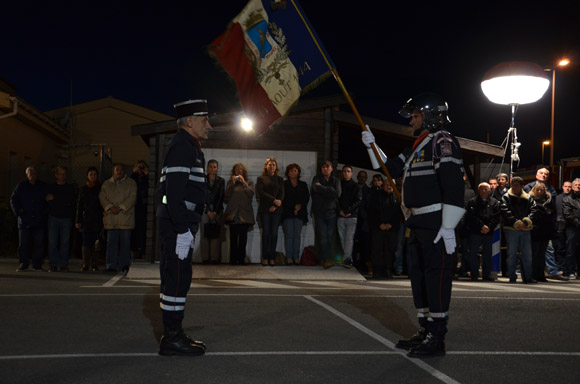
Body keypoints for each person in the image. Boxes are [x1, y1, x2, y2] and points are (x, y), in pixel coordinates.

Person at [362, 93, 465, 358]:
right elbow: (390, 168)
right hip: (417, 222)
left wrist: (449, 226)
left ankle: (437, 336)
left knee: (436, 277)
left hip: (435, 222)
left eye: (416, 116)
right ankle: (425, 328)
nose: (412, 121)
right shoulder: (418, 145)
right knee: (419, 278)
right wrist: (372, 146)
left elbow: (454, 185)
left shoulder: (442, 141)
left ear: (430, 116)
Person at [156, 99, 210, 356]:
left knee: (179, 279)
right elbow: (173, 194)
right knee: (176, 280)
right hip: (178, 225)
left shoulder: (188, 146)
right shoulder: (181, 147)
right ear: (190, 122)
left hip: (181, 223)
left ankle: (175, 334)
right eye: (204, 120)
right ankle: (172, 338)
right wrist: (182, 229)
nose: (208, 126)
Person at [500, 176, 538, 284]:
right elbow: (504, 211)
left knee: (527, 254)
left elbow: (534, 210)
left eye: (516, 185)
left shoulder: (528, 198)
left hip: (525, 228)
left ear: (522, 186)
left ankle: (527, 276)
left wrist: (526, 221)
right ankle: (512, 276)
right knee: (511, 253)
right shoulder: (506, 197)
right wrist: (516, 222)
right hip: (511, 228)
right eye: (513, 185)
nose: (514, 187)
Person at [99, 163, 137, 273]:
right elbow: (102, 197)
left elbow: (132, 198)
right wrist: (110, 207)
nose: (119, 171)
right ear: (113, 171)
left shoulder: (131, 183)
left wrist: (120, 208)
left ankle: (124, 264)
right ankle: (110, 265)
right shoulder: (106, 184)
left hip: (125, 218)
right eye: (117, 169)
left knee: (125, 243)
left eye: (121, 169)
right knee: (111, 243)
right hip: (111, 219)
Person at [10, 166, 47, 272]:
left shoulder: (42, 186)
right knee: (23, 244)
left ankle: (37, 264)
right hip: (25, 221)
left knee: (39, 244)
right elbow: (13, 200)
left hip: (39, 220)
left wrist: (43, 213)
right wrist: (19, 213)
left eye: (34, 173)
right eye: (30, 173)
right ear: (27, 175)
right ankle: (23, 263)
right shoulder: (21, 186)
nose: (32, 175)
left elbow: (48, 201)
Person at [367, 178, 401, 278]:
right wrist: (379, 224)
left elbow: (399, 213)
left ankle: (388, 269)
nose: (389, 186)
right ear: (383, 185)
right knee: (377, 250)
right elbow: (372, 212)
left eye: (391, 185)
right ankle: (377, 270)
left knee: (390, 250)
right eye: (387, 184)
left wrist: (391, 224)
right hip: (378, 228)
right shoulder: (376, 196)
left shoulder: (397, 197)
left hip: (392, 229)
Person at [465, 182, 500, 281]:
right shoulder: (472, 202)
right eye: (481, 189)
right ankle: (474, 273)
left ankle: (486, 274)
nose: (483, 191)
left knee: (487, 254)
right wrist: (482, 226)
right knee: (473, 253)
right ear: (478, 190)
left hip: (488, 232)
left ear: (489, 190)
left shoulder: (494, 202)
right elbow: (471, 216)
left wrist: (489, 227)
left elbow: (496, 217)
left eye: (486, 189)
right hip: (475, 231)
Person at [311, 161, 341, 268]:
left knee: (330, 236)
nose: (325, 169)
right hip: (319, 212)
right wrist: (329, 191)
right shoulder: (316, 179)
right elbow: (315, 189)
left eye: (327, 167)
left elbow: (337, 193)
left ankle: (329, 258)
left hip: (331, 212)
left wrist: (323, 189)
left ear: (332, 168)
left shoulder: (336, 180)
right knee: (322, 237)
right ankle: (326, 259)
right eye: (323, 167)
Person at [224, 163, 255, 265]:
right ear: (234, 172)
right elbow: (226, 196)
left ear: (243, 172)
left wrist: (244, 183)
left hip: (244, 215)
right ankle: (233, 260)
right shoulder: (230, 182)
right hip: (233, 215)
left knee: (243, 239)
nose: (238, 171)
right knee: (233, 239)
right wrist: (233, 184)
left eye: (240, 170)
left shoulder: (249, 183)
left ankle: (241, 260)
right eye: (237, 170)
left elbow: (251, 194)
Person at [256, 158, 285, 266]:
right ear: (266, 166)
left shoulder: (280, 179)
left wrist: (276, 205)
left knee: (274, 234)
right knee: (266, 234)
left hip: (277, 210)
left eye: (273, 165)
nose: (272, 166)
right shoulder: (261, 178)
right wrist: (273, 201)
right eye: (270, 164)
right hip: (265, 209)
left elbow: (282, 193)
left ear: (276, 167)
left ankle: (272, 257)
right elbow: (261, 193)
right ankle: (265, 257)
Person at [46, 166, 75, 272]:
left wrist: (55, 199)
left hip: (66, 218)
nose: (62, 176)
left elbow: (69, 201)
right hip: (53, 217)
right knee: (52, 242)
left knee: (65, 242)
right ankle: (53, 264)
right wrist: (59, 201)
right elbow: (48, 201)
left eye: (64, 174)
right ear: (56, 175)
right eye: (60, 174)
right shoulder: (51, 187)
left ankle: (63, 264)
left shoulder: (69, 188)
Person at [75, 167, 103, 271]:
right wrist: (78, 220)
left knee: (96, 242)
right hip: (86, 219)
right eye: (91, 174)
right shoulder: (83, 189)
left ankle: (95, 264)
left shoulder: (101, 188)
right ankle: (85, 263)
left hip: (97, 219)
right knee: (86, 242)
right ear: (87, 176)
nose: (93, 176)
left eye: (94, 174)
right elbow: (80, 205)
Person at [282, 163, 309, 265]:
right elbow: (283, 198)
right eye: (291, 171)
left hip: (300, 213)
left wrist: (298, 206)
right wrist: (293, 206)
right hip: (288, 213)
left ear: (298, 173)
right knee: (289, 235)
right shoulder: (284, 184)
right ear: (288, 173)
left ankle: (296, 257)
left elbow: (306, 198)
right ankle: (289, 257)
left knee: (297, 236)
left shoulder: (303, 184)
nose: (293, 172)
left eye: (295, 171)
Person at [529, 182, 555, 282]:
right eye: (538, 190)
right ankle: (534, 274)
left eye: (542, 190)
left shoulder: (548, 200)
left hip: (545, 229)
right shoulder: (531, 200)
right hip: (535, 229)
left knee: (542, 253)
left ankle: (541, 274)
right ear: (534, 190)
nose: (540, 191)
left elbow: (553, 213)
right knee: (535, 253)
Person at [200, 159, 225, 264]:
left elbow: (221, 197)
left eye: (214, 167)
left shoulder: (221, 181)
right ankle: (205, 258)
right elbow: (201, 195)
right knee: (204, 235)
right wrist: (208, 211)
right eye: (210, 167)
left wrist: (214, 212)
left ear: (217, 168)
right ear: (207, 168)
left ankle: (214, 258)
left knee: (215, 235)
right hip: (205, 210)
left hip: (217, 211)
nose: (212, 169)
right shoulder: (202, 179)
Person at [337, 165, 362, 268]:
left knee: (349, 239)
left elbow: (358, 200)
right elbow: (336, 199)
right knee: (341, 239)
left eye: (348, 171)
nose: (346, 173)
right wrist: (340, 211)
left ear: (352, 173)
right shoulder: (339, 185)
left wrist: (347, 211)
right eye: (344, 171)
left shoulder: (356, 186)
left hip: (352, 216)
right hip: (340, 216)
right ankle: (342, 258)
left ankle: (347, 259)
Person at [551, 181, 572, 280]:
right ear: (562, 187)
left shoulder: (574, 198)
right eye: (566, 186)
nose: (567, 188)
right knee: (560, 248)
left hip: (571, 225)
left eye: (569, 187)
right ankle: (561, 268)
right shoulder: (557, 198)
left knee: (570, 249)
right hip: (559, 225)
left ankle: (569, 269)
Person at [352, 170, 371, 273]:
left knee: (364, 245)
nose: (362, 178)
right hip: (354, 218)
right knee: (353, 243)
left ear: (366, 178)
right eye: (360, 176)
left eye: (364, 177)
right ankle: (353, 263)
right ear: (357, 177)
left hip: (365, 221)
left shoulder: (369, 190)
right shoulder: (354, 187)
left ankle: (363, 265)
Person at [131, 160, 149, 260]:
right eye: (139, 167)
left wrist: (147, 175)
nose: (140, 169)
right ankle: (136, 251)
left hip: (144, 207)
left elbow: (150, 186)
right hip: (135, 207)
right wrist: (134, 173)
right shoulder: (133, 178)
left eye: (142, 167)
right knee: (135, 231)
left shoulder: (147, 178)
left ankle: (143, 251)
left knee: (143, 231)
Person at [562, 178, 580, 279]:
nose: (578, 186)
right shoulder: (567, 199)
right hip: (572, 227)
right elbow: (567, 214)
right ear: (572, 187)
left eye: (579, 185)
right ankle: (570, 271)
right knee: (571, 250)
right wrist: (577, 223)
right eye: (576, 185)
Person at [492, 172, 509, 277]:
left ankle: (505, 270)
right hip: (497, 222)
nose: (501, 181)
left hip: (507, 222)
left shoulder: (510, 192)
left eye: (503, 179)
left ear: (507, 181)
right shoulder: (493, 192)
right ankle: (495, 269)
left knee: (506, 248)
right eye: (499, 179)